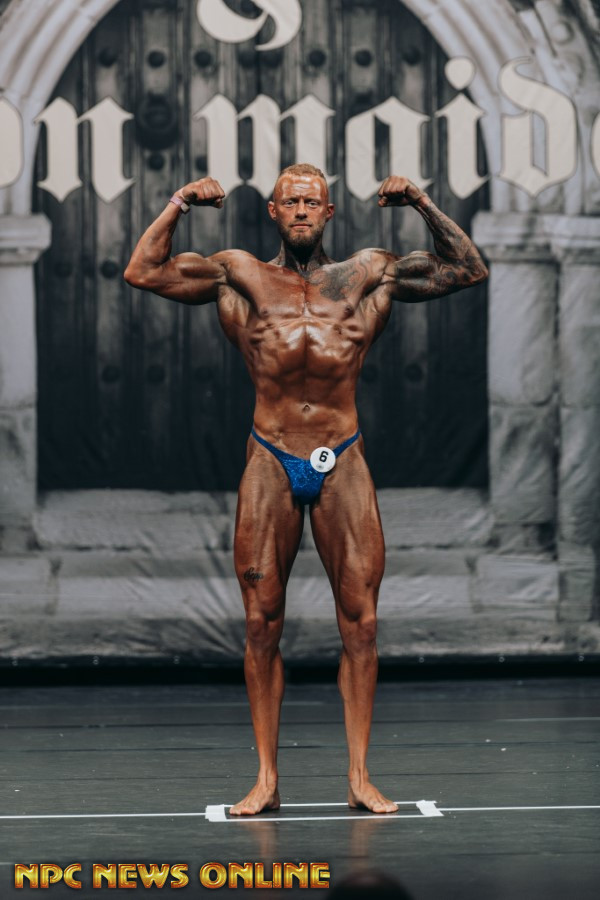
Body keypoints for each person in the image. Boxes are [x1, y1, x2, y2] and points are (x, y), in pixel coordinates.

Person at [124, 164, 488, 815]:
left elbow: (468, 268)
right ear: (272, 211)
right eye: (289, 201)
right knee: (261, 623)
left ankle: (359, 776)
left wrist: (421, 201)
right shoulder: (239, 274)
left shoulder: (368, 273)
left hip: (342, 455)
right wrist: (180, 201)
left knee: (362, 623)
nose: (299, 210)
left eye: (311, 202)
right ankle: (266, 778)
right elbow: (142, 271)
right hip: (270, 455)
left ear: (328, 212)